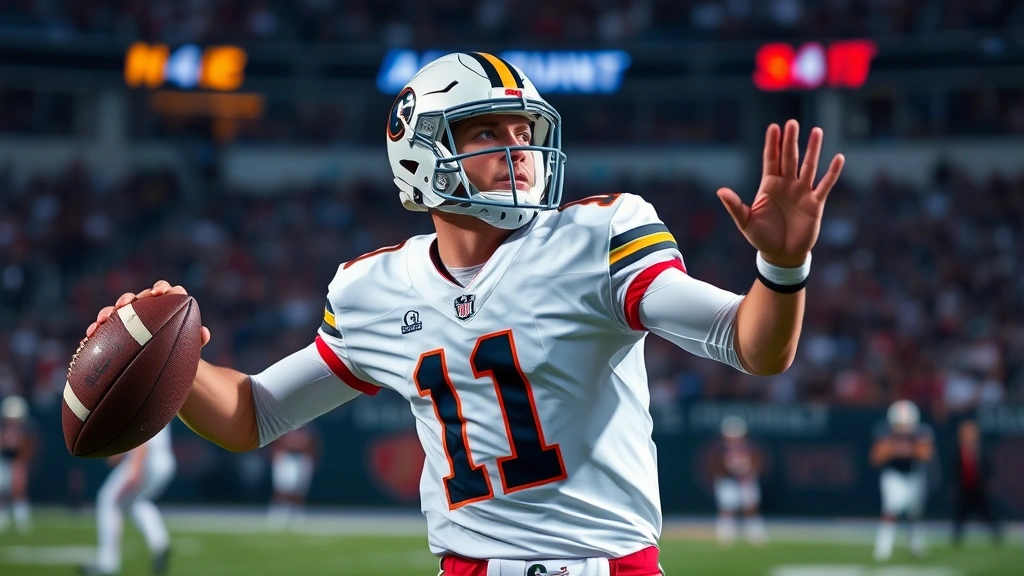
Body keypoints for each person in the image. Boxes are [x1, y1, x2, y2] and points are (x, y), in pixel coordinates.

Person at [84, 52, 843, 575]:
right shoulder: (372, 288)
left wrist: (782, 267)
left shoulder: (597, 236)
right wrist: (163, 364)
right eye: (485, 133)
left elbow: (752, 345)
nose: (516, 150)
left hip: (610, 565)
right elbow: (253, 414)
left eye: (524, 133)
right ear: (418, 153)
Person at [79, 424, 176, 576]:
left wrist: (136, 466)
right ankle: (159, 542)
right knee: (135, 502)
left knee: (108, 500)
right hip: (163, 458)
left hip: (146, 459)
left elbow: (142, 430)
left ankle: (107, 563)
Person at [870, 400, 934, 561]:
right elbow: (876, 457)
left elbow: (926, 454)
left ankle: (916, 545)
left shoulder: (921, 432)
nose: (903, 427)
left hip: (914, 474)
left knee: (915, 513)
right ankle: (883, 547)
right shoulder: (884, 431)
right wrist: (896, 448)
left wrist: (906, 448)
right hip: (893, 474)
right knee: (890, 511)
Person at [711, 416, 766, 547]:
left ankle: (755, 535)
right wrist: (729, 474)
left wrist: (747, 473)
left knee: (751, 507)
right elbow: (716, 466)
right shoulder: (720, 449)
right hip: (727, 481)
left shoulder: (750, 448)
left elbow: (757, 462)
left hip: (746, 481)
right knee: (727, 508)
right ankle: (725, 536)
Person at [951, 419, 1001, 546]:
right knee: (960, 515)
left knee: (987, 513)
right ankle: (956, 539)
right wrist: (954, 485)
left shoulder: (981, 449)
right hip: (965, 488)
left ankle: (997, 535)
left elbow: (987, 466)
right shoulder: (958, 450)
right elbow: (954, 469)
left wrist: (989, 480)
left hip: (979, 487)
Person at [267, 424, 320, 530]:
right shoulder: (284, 424)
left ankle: (296, 516)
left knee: (299, 490)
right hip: (286, 458)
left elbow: (313, 444)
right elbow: (278, 442)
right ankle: (278, 515)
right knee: (282, 489)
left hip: (302, 459)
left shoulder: (309, 427)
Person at [0, 395, 35, 534]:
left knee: (19, 490)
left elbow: (28, 449)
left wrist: (21, 462)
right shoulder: (3, 429)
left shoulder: (27, 430)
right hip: (3, 460)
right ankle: (4, 517)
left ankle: (22, 519)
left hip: (17, 461)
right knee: (2, 490)